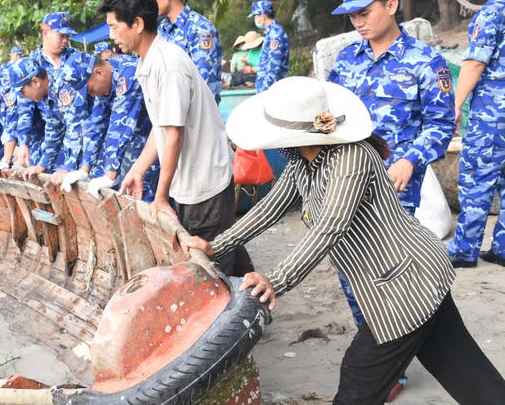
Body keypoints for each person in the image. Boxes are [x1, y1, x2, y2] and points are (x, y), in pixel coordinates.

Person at [192, 76, 504, 404]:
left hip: (405, 281)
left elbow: (332, 226)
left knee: (359, 379)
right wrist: (217, 245)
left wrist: (276, 280)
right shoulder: (302, 161)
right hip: (401, 281)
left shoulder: (351, 158)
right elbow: (270, 208)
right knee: (467, 373)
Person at [326, 0, 456, 400]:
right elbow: (330, 122)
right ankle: (383, 360)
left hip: (398, 192)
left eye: (365, 13)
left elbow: (440, 125)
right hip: (348, 187)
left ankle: (389, 370)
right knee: (354, 276)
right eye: (351, 16)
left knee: (389, 278)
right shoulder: (345, 61)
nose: (358, 22)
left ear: (392, 6)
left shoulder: (425, 62)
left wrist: (410, 159)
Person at [98, 0, 253, 277]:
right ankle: (254, 305)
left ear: (138, 24)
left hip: (202, 180)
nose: (111, 35)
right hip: (189, 178)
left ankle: (235, 317)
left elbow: (173, 134)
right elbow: (161, 127)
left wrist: (160, 197)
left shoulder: (168, 64)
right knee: (225, 249)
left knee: (210, 267)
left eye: (115, 27)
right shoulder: (148, 62)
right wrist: (138, 169)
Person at [448, 0, 505, 268]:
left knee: (476, 180)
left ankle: (464, 250)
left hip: (493, 115)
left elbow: (473, 64)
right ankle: (502, 248)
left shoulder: (493, 13)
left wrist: (455, 105)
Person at [80, 53, 159, 201]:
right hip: (139, 146)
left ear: (98, 72)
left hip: (156, 146)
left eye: (90, 90)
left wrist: (110, 174)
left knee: (144, 198)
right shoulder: (106, 82)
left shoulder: (128, 73)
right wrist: (84, 170)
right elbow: (96, 125)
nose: (92, 95)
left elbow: (120, 126)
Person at [12, 51, 94, 181]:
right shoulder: (46, 95)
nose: (22, 96)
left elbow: (77, 127)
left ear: (35, 82)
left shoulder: (62, 86)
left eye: (22, 91)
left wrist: (68, 167)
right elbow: (54, 129)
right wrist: (42, 165)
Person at [145, 0, 223, 103]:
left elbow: (205, 82)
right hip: (171, 111)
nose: (148, 4)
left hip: (197, 115)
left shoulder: (200, 28)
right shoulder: (162, 29)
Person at [14, 12, 81, 167]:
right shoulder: (32, 64)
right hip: (51, 135)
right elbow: (25, 107)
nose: (65, 40)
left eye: (67, 36)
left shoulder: (76, 59)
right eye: (61, 36)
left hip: (79, 133)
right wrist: (23, 142)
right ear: (46, 33)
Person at [248, 0, 289, 92]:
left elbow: (274, 64)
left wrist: (266, 89)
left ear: (263, 16)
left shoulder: (275, 33)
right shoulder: (270, 32)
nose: (255, 20)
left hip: (271, 89)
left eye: (255, 17)